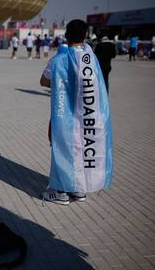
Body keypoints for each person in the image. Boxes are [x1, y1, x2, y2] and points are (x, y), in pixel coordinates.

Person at [39, 19, 112, 205]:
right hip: (88, 114)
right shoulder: (90, 57)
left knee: (63, 149)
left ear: (66, 35)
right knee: (82, 148)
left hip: (65, 115)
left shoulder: (59, 59)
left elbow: (44, 82)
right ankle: (79, 189)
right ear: (85, 35)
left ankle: (61, 191)